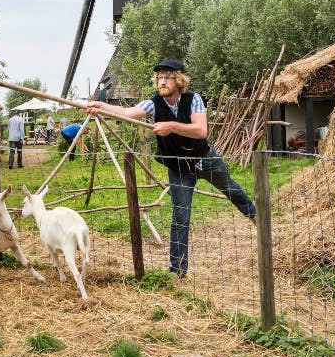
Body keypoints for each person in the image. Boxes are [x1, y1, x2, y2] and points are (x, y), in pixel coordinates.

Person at [87, 58, 256, 278]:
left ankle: (255, 215)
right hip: (179, 167)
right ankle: (178, 271)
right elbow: (127, 113)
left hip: (204, 159)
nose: (162, 82)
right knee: (180, 216)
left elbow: (201, 130)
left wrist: (172, 127)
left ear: (179, 80)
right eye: (159, 78)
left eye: (167, 77)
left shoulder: (193, 99)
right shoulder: (154, 103)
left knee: (230, 189)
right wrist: (101, 106)